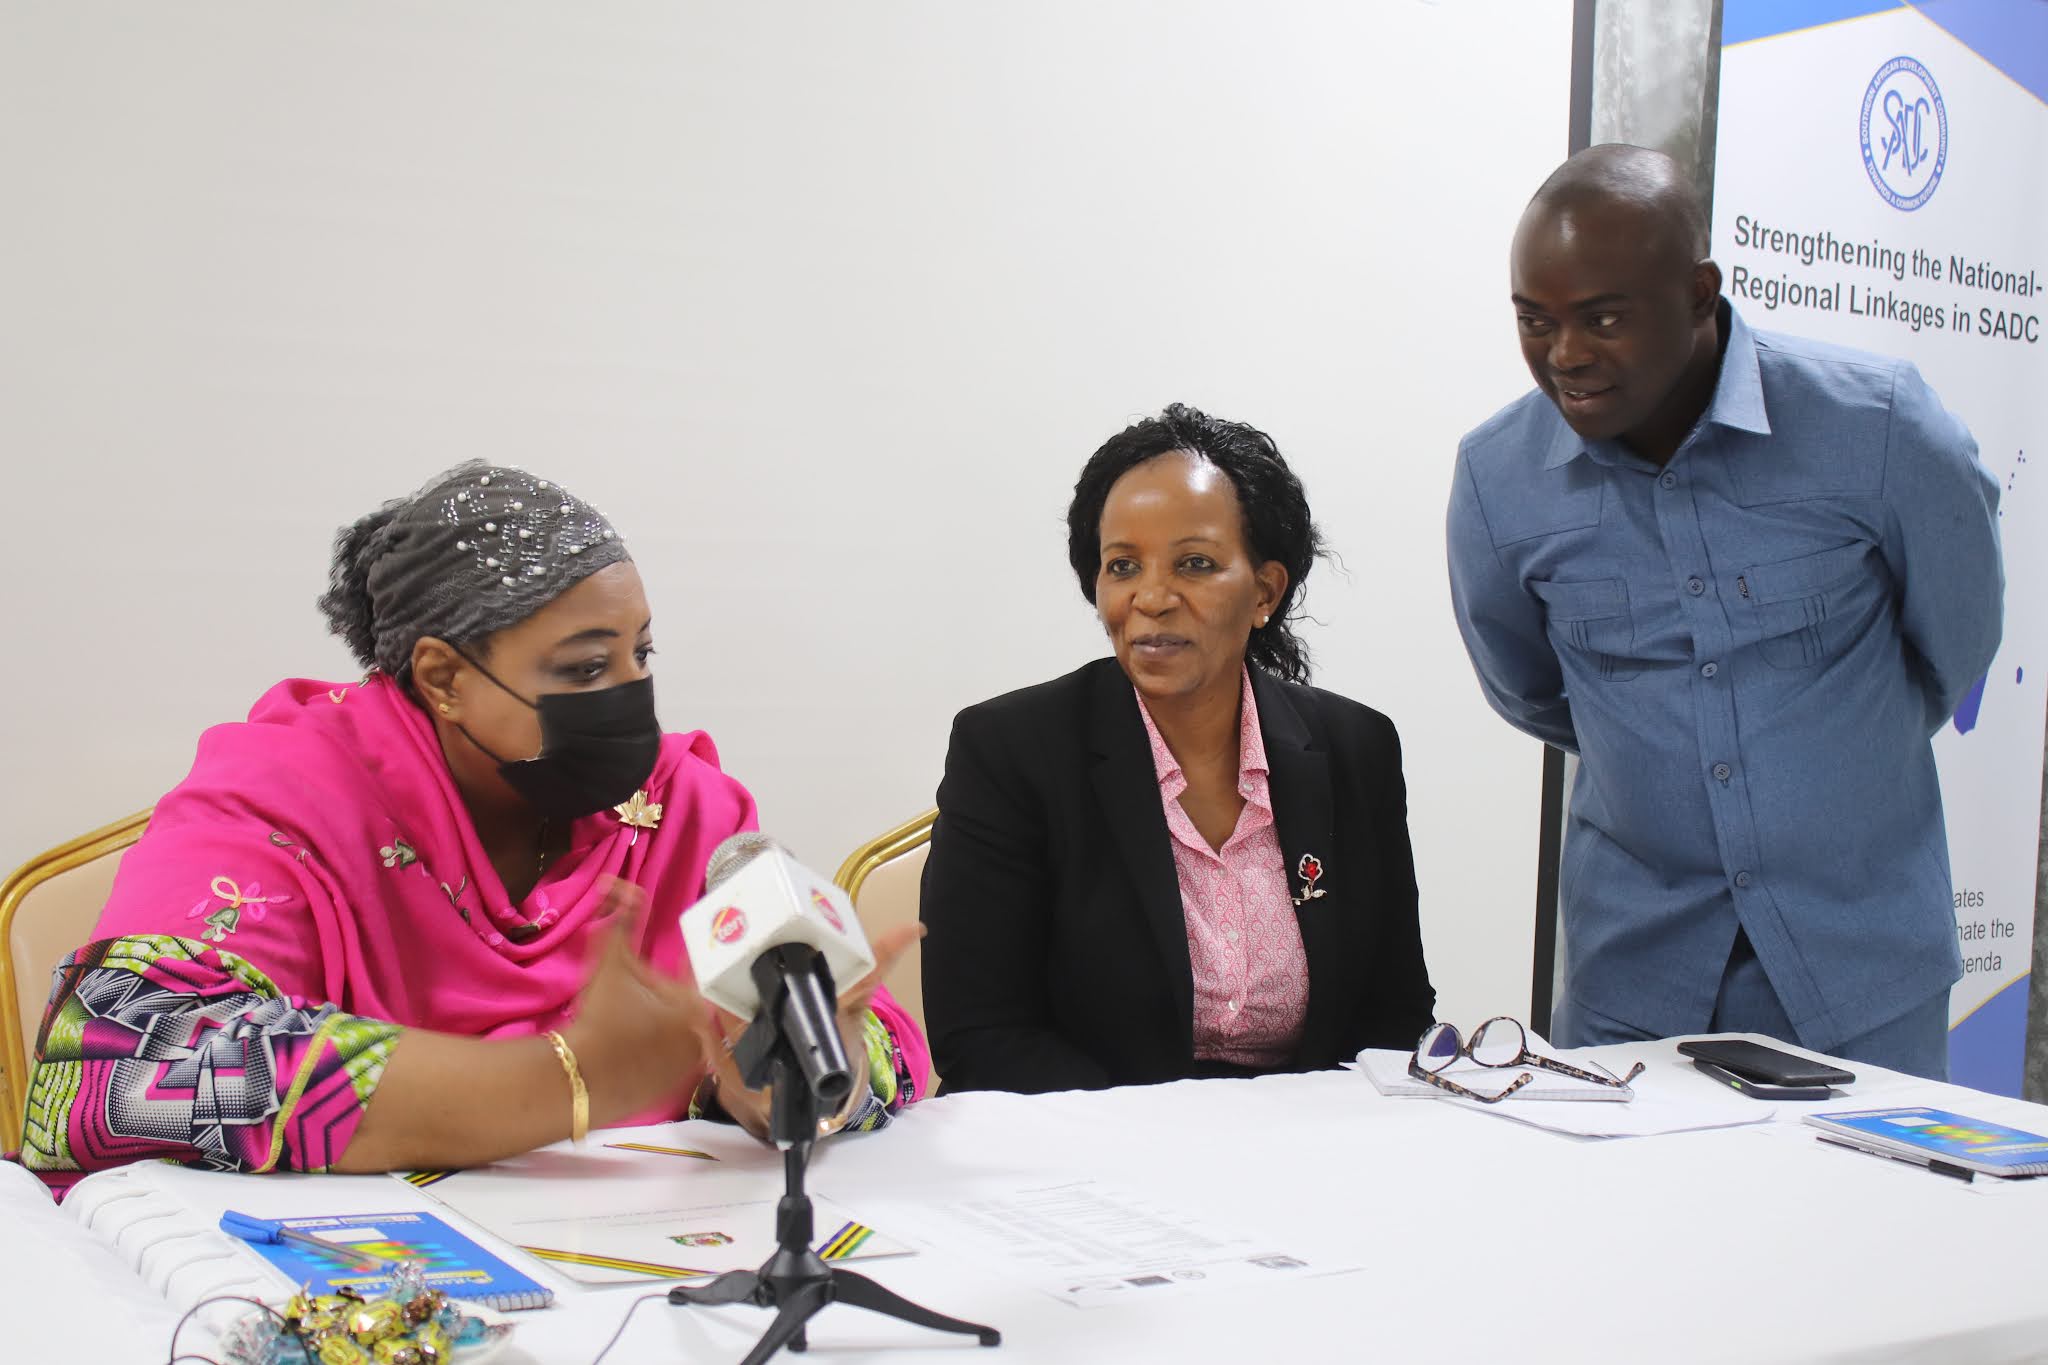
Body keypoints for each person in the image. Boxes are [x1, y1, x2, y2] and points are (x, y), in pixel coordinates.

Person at [19, 462, 927, 1188]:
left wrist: (797, 1079)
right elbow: (101, 1071)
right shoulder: (287, 795)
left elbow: (868, 1036)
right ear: (444, 677)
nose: (629, 697)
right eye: (583, 669)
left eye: (641, 654)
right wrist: (567, 1081)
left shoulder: (684, 808)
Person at [1446, 144, 2002, 1079]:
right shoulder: (1498, 481)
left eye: (1603, 318)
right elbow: (1530, 691)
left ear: (1700, 293)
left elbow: (1957, 638)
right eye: (1535, 321)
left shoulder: (1880, 426)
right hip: (1633, 983)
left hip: (1864, 973)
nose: (1566, 354)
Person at [921, 403, 1436, 1094]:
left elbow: (1394, 1012)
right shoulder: (1011, 751)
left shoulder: (1355, 749)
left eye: (1194, 564)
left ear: (1265, 590)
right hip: (1086, 1138)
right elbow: (981, 1036)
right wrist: (1168, 1139)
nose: (1152, 597)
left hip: (1305, 1138)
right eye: (1122, 565)